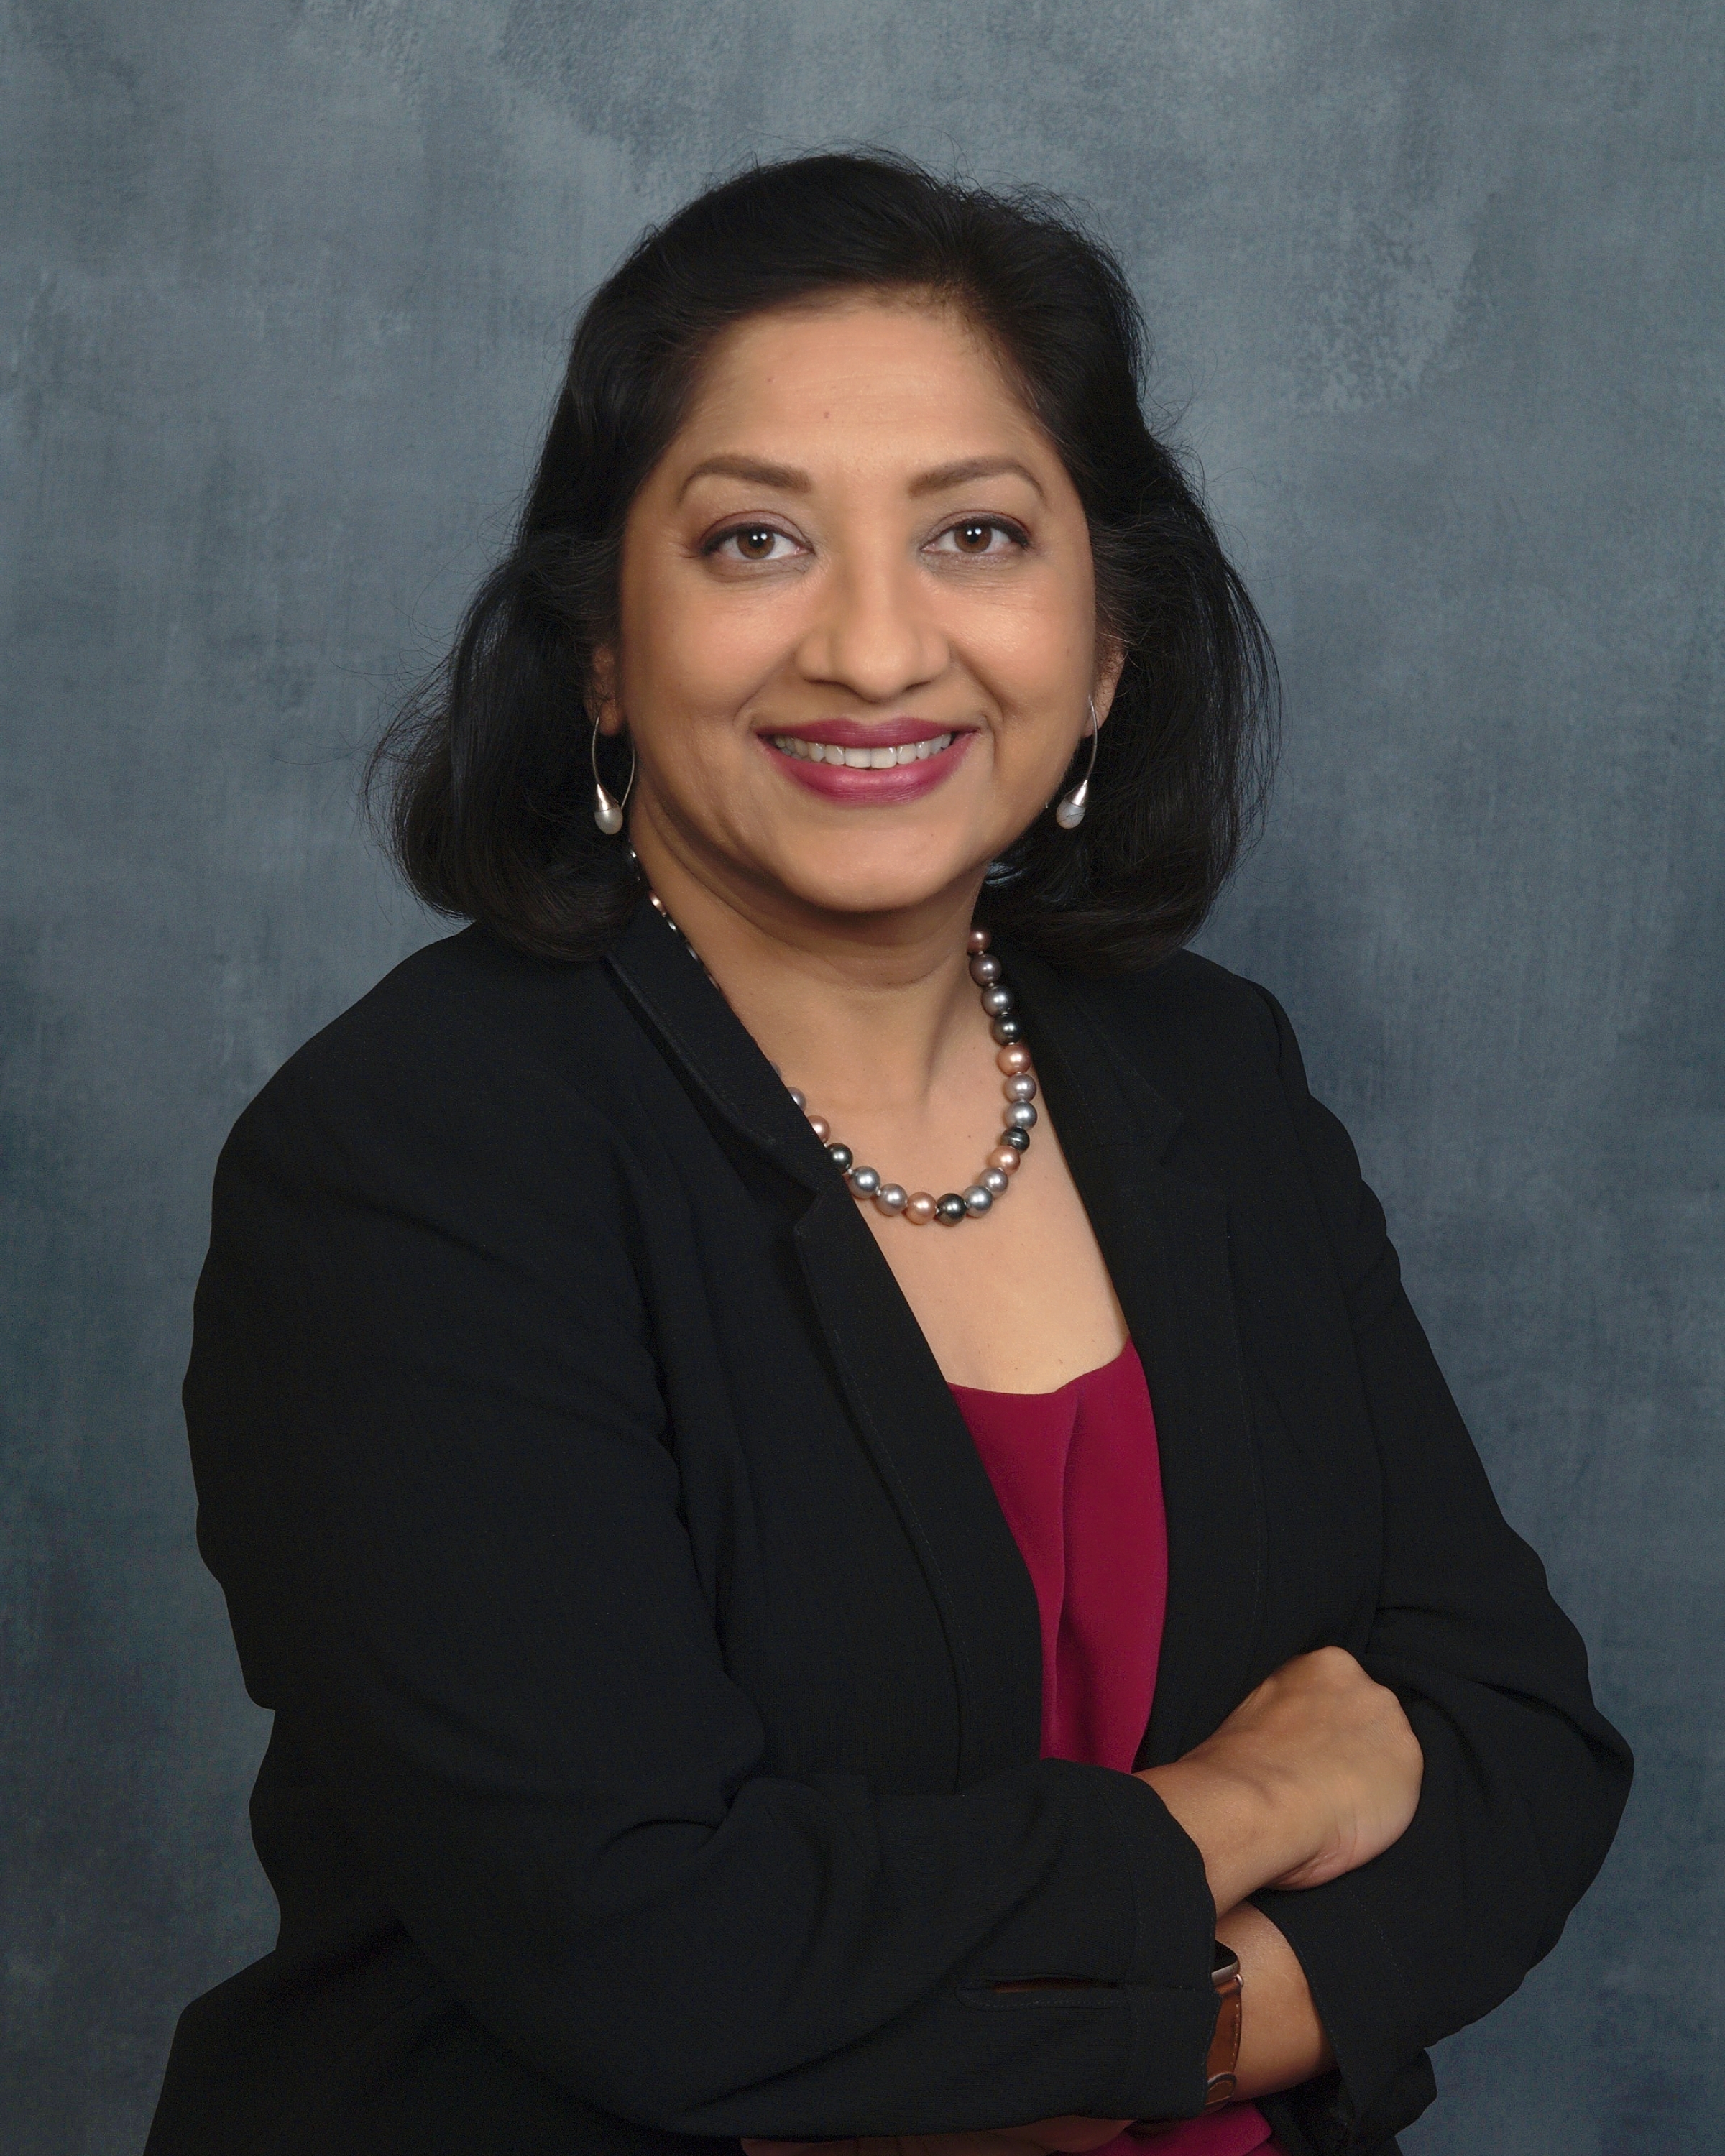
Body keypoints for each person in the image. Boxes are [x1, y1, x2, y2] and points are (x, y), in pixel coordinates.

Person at [145, 153, 1629, 2156]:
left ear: (1102, 644)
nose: (869, 650)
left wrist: (1048, 2020)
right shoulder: (411, 1161)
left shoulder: (1212, 1075)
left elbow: (1514, 1746)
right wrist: (1242, 1822)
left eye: (978, 538)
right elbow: (663, 1961)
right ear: (601, 649)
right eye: (754, 542)